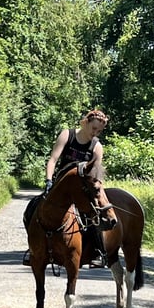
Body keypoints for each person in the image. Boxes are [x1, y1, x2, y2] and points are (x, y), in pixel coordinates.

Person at [23, 109, 109, 268]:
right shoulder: (67, 135)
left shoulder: (97, 147)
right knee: (33, 207)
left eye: (99, 131)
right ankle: (33, 248)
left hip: (81, 191)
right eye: (94, 128)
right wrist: (49, 180)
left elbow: (96, 175)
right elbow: (53, 160)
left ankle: (99, 252)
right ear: (85, 123)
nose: (95, 133)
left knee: (94, 217)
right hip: (60, 186)